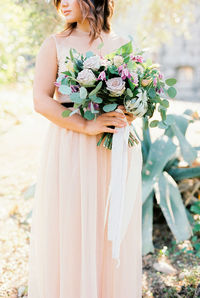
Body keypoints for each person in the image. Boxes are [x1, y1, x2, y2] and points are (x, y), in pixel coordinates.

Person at [28, 0, 143, 297]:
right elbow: (41, 100)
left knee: (108, 225)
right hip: (70, 143)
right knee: (71, 225)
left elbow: (136, 98)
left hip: (111, 146)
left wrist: (128, 111)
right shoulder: (55, 44)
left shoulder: (122, 43)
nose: (62, 3)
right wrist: (85, 125)